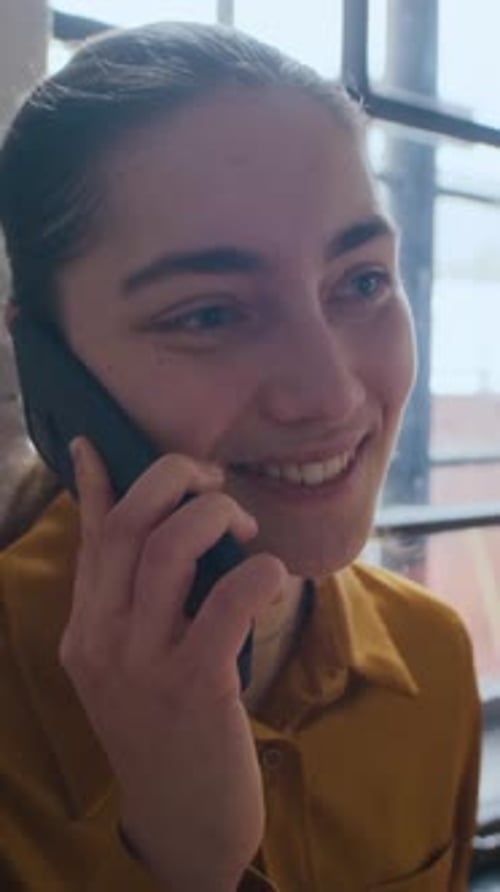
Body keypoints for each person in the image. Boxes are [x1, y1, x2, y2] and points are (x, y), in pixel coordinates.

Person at [0, 21, 480, 892]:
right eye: (209, 315)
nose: (331, 397)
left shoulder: (431, 658)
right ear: (47, 366)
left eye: (362, 281)